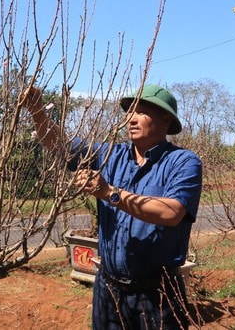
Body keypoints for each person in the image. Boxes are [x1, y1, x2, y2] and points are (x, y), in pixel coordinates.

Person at [20, 84, 202, 329]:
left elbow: (172, 212)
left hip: (157, 294)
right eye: (128, 112)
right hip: (109, 289)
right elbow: (60, 144)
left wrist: (110, 193)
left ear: (166, 120)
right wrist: (37, 111)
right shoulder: (110, 155)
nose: (131, 118)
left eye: (140, 111)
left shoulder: (183, 162)